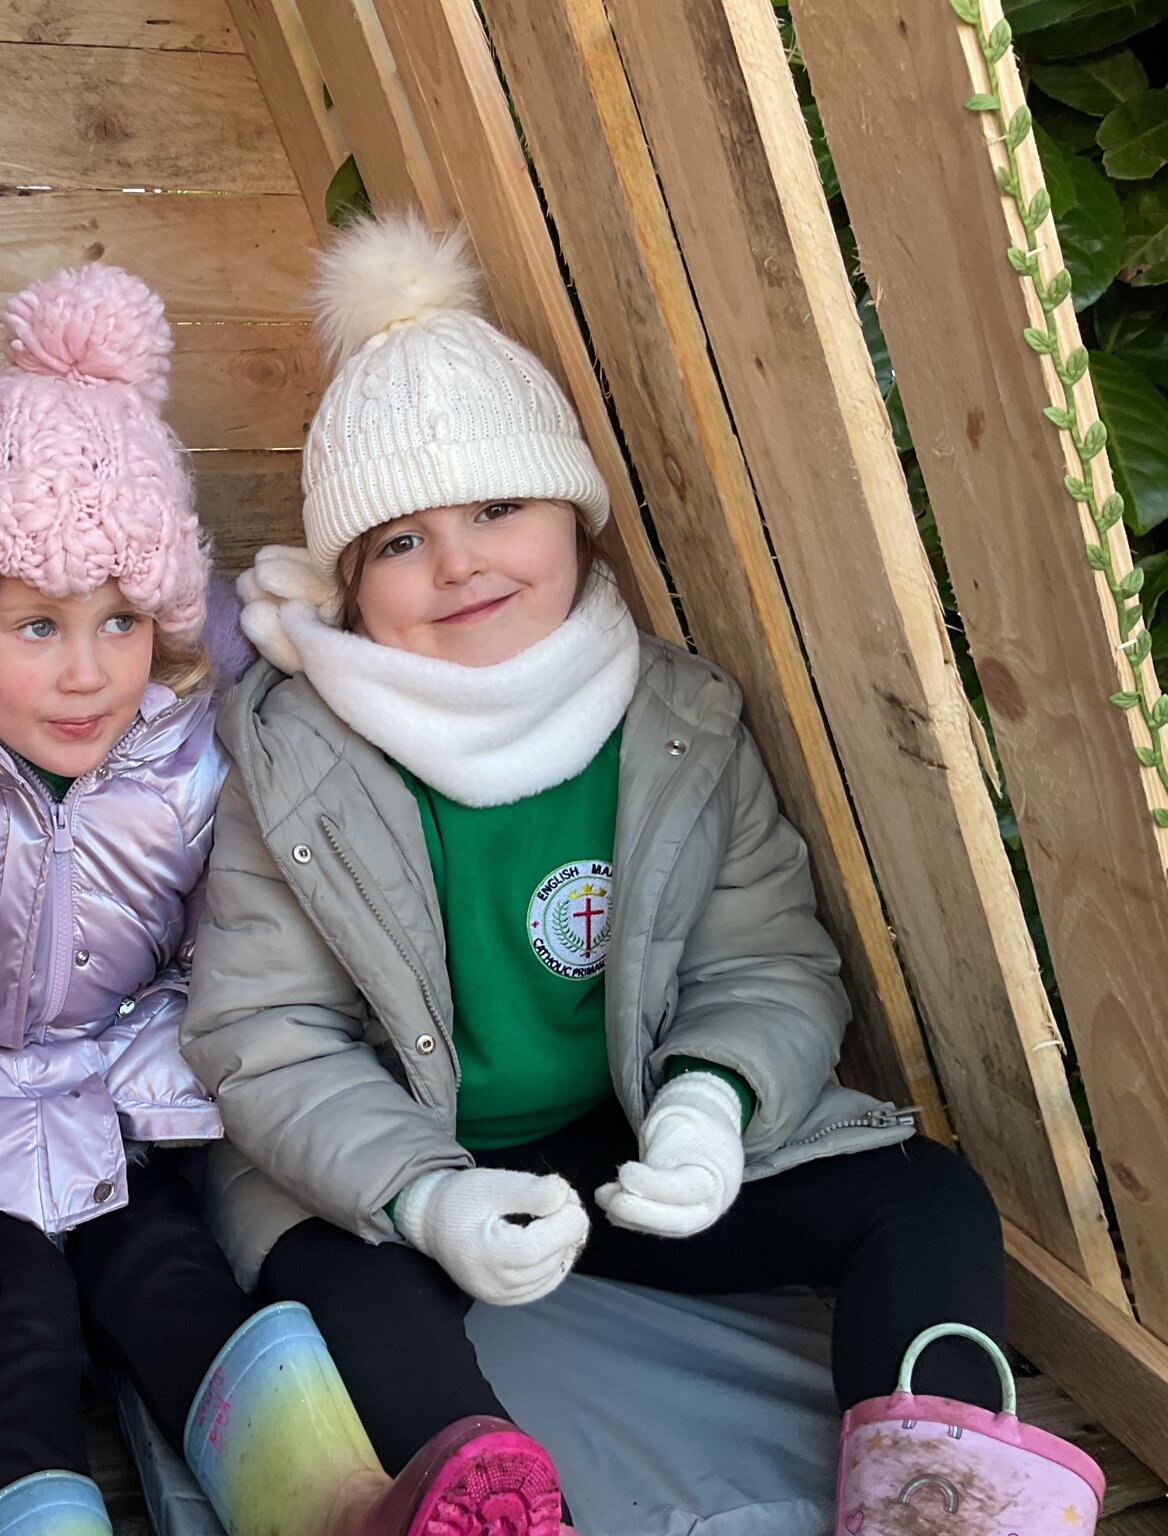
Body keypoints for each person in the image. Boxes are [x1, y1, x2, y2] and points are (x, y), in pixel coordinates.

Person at [182, 214, 1024, 1524]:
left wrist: (709, 1103)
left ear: (573, 518)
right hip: (402, 1172)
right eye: (398, 541)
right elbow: (264, 1036)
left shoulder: (678, 722)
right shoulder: (296, 759)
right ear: (348, 586)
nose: (458, 562)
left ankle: (932, 1500)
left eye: (497, 508)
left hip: (620, 1142)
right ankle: (487, 1497)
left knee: (928, 1199)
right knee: (332, 1291)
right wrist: (425, 1195)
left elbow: (766, 961)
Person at [0, 262, 562, 1536]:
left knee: (177, 1289)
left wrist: (163, 1081)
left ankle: (337, 1507)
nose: (86, 673)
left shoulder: (189, 760)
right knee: (5, 1330)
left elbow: (217, 954)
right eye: (36, 627)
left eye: (121, 623)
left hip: (127, 1122)